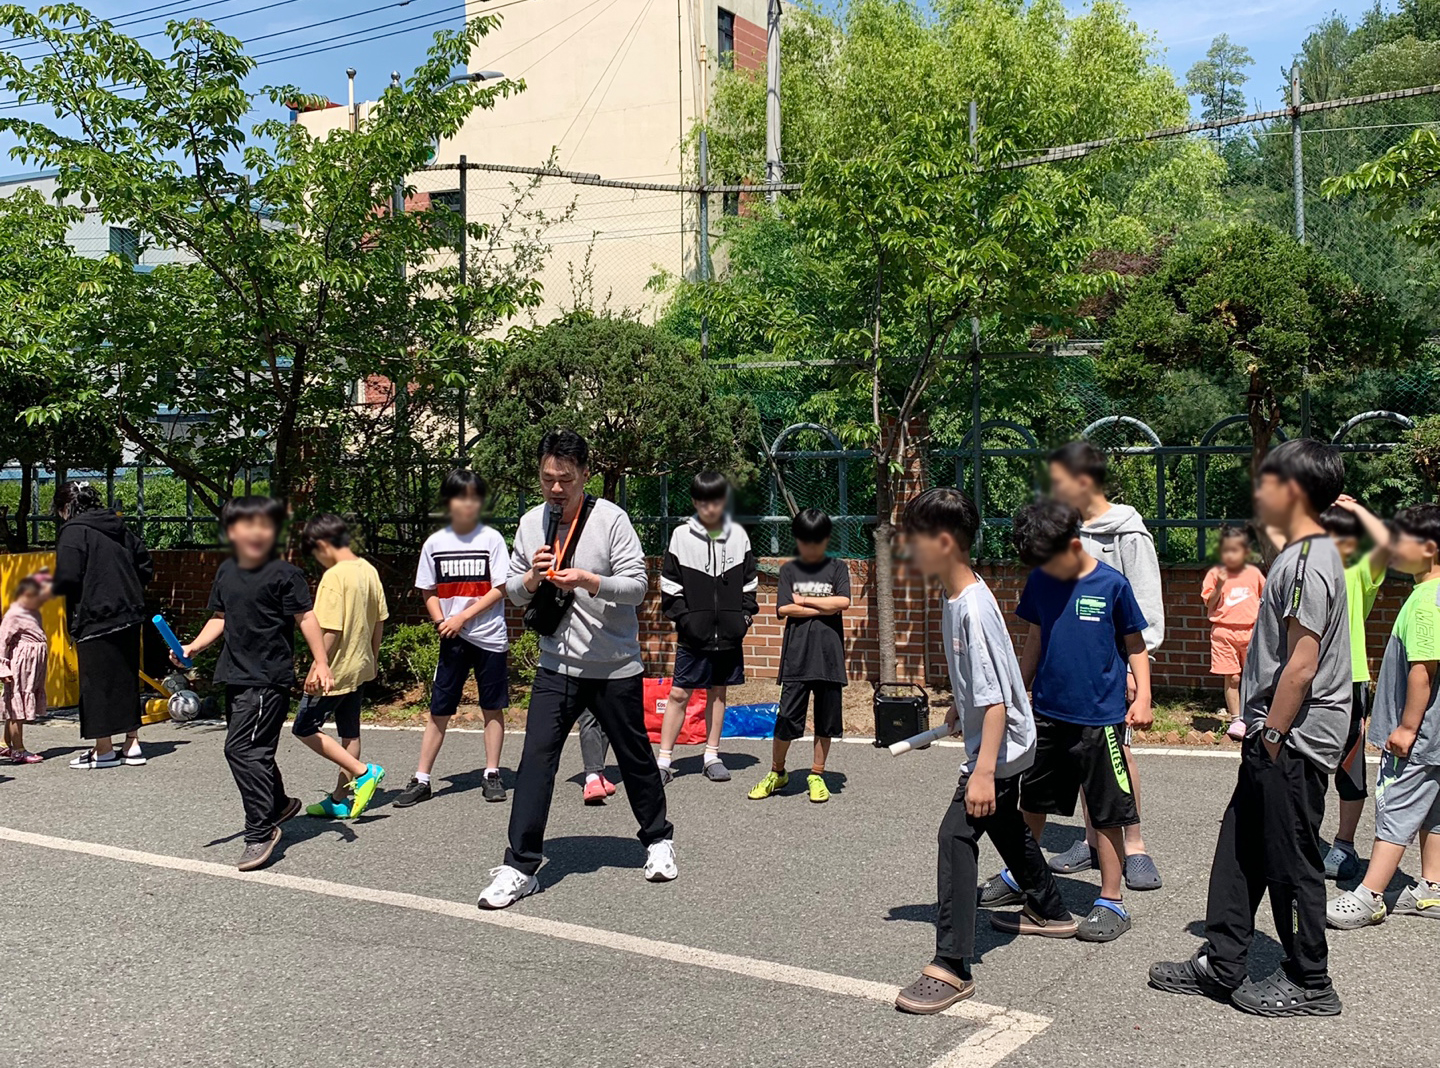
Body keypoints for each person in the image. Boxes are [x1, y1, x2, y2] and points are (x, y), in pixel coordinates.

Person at [1149, 438, 1349, 1017]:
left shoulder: (1308, 561)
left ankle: (1311, 980)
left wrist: (1273, 736)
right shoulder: (1300, 554)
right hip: (1275, 735)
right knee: (1240, 848)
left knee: (1291, 862)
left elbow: (1302, 663)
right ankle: (1223, 960)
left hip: (1292, 739)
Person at [893, 489, 1076, 1016]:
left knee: (955, 834)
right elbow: (982, 684)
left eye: (914, 538)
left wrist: (982, 771)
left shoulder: (971, 606)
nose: (908, 548)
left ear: (944, 542)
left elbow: (995, 703)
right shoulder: (957, 594)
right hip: (1003, 739)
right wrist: (961, 706)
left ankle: (952, 965)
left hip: (1001, 744)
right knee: (1001, 822)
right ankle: (1050, 908)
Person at [477, 430, 675, 909]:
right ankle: (520, 865)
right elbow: (512, 591)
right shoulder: (531, 523)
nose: (556, 488)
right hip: (555, 667)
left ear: (585, 475)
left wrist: (589, 580)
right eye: (548, 478)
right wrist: (530, 578)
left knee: (635, 758)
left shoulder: (611, 519)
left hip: (614, 666)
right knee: (535, 762)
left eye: (566, 479)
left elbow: (638, 587)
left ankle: (658, 840)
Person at [981, 499, 1151, 943]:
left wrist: (1144, 696)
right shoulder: (1041, 580)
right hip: (1048, 715)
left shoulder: (1111, 584)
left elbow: (1135, 644)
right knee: (1033, 803)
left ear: (1074, 544)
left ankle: (1111, 900)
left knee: (1107, 812)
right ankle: (1021, 875)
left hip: (1101, 721)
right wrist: (1017, 694)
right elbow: (1034, 640)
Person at [174, 497, 336, 872]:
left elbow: (306, 618)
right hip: (235, 675)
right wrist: (193, 646)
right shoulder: (227, 572)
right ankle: (278, 804)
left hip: (267, 678)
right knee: (254, 749)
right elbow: (220, 617)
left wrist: (321, 661)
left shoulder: (285, 574)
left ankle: (261, 831)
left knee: (242, 750)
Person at [1046, 441, 1165, 890]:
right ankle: (1094, 839)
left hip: (1118, 667)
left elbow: (1146, 607)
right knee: (1084, 751)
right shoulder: (1069, 528)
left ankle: (1134, 845)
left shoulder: (1128, 532)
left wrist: (1137, 670)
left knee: (1118, 754)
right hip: (1081, 671)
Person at [1326, 503, 1440, 928]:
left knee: (1397, 806)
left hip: (1419, 734)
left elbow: (1422, 670)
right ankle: (1432, 887)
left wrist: (1407, 727)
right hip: (1436, 734)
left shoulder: (1425, 601)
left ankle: (1369, 894)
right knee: (1434, 809)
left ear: (1428, 548)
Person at [395, 470, 512, 808]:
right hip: (452, 638)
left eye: (474, 497)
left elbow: (500, 587)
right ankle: (422, 778)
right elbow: (428, 589)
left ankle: (492, 773)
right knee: (440, 708)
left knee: (492, 707)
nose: (468, 504)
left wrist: (462, 617)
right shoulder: (434, 543)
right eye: (461, 497)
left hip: (489, 637)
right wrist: (441, 621)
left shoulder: (492, 539)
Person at [656, 470, 758, 784]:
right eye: (703, 502)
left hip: (728, 634)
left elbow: (750, 585)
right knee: (678, 694)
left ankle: (712, 755)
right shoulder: (681, 536)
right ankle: (663, 761)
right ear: (695, 502)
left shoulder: (738, 535)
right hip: (693, 635)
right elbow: (670, 587)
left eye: (715, 501)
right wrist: (685, 621)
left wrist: (742, 620)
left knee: (718, 692)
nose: (709, 508)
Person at [747, 509, 851, 804]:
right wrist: (824, 606)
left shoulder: (838, 568)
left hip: (829, 657)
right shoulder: (790, 570)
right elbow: (784, 608)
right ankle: (777, 771)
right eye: (805, 541)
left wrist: (804, 600)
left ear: (826, 539)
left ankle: (817, 774)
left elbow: (843, 601)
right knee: (787, 719)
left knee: (826, 721)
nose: (811, 547)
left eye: (817, 541)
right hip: (797, 657)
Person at [51, 480, 154, 770]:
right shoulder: (119, 527)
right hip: (129, 612)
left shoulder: (73, 532)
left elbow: (68, 578)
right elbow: (145, 564)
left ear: (65, 507)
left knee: (96, 684)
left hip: (94, 615)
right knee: (126, 679)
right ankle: (132, 743)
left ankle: (104, 748)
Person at [1317, 495, 1391, 882]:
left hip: (1350, 678)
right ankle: (1302, 835)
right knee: (1306, 763)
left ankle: (1344, 845)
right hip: (1308, 679)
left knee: (1350, 767)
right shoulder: (1307, 566)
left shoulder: (1359, 567)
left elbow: (1386, 542)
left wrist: (1358, 508)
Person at [294, 514, 387, 819]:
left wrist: (316, 668)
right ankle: (338, 799)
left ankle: (364, 772)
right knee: (350, 733)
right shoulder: (369, 570)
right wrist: (373, 658)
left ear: (323, 544)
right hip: (360, 666)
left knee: (303, 728)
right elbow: (379, 621)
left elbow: (330, 629)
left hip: (334, 671)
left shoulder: (334, 576)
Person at [1202, 526, 1265, 741]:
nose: (1230, 555)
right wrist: (1220, 585)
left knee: (1252, 676)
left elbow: (1265, 597)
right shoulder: (1215, 574)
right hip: (1224, 632)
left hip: (1251, 631)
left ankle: (1253, 715)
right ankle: (1236, 719)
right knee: (1233, 677)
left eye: (1235, 550)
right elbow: (1209, 603)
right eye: (1226, 550)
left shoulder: (1254, 573)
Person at [0, 573, 51, 764]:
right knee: (16, 707)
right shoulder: (15, 614)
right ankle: (19, 750)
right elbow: (2, 642)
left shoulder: (33, 613)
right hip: (21, 666)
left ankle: (5, 744)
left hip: (32, 668)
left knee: (18, 702)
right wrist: (3, 668)